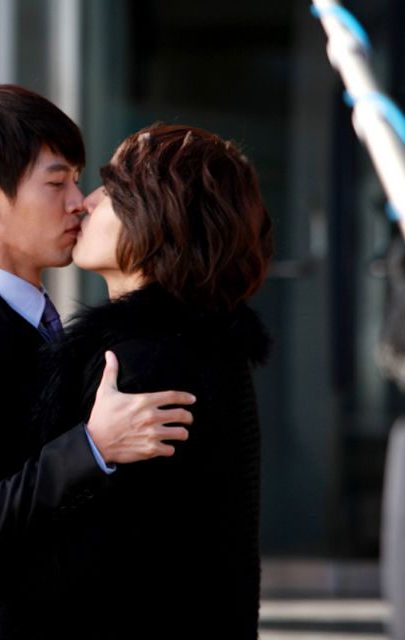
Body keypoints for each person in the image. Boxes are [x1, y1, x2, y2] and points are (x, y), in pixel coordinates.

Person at [0, 85, 197, 639]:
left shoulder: (46, 324)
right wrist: (91, 446)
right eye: (57, 183)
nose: (78, 201)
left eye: (75, 181)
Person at [36, 123, 273, 636]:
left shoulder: (144, 366)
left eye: (111, 190)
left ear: (159, 217)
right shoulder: (198, 347)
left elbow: (85, 557)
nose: (86, 202)